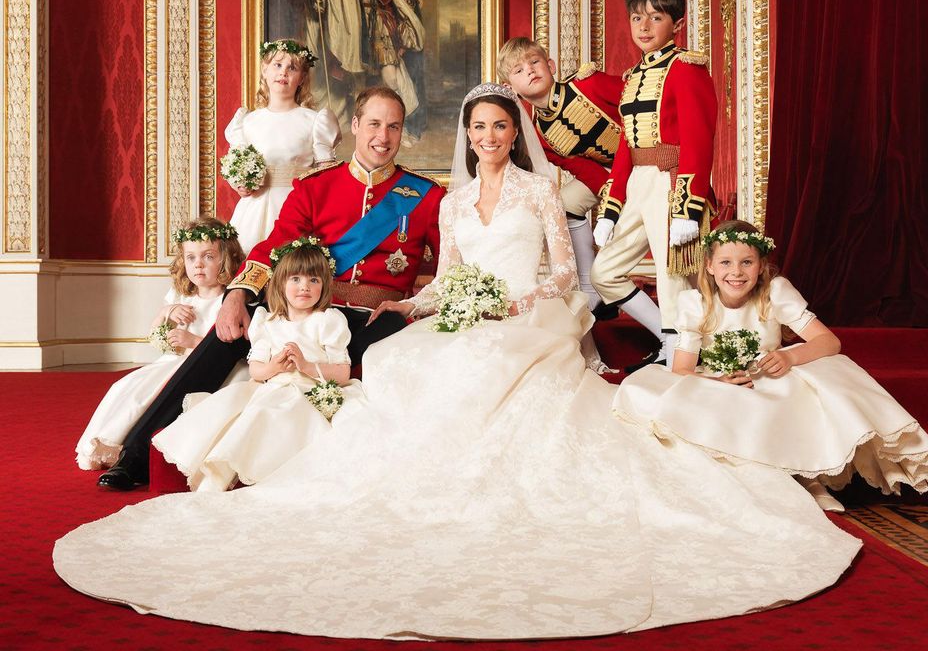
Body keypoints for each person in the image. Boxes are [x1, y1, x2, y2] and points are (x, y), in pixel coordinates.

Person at [56, 85, 861, 639]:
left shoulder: (500, 194)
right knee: (397, 358)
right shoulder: (390, 193)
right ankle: (158, 448)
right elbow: (434, 276)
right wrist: (399, 302)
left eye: (499, 127)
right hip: (367, 301)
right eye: (475, 128)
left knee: (454, 362)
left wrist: (501, 301)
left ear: (511, 131)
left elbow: (556, 273)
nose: (487, 138)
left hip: (521, 314)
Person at [96, 86, 444, 491]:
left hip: (373, 318)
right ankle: (137, 455)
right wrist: (236, 297)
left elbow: (448, 265)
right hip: (304, 304)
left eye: (393, 127)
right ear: (354, 126)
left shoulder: (426, 196)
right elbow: (271, 249)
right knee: (228, 333)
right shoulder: (316, 187)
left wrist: (416, 306)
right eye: (374, 124)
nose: (382, 137)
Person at [614, 220, 928, 508]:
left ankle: (809, 477)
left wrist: (790, 356)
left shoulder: (774, 292)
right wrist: (720, 382)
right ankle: (752, 480)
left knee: (811, 383)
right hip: (720, 379)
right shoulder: (695, 302)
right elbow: (682, 371)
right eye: (726, 262)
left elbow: (829, 341)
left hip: (769, 377)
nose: (736, 272)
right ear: (711, 266)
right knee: (654, 391)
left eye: (747, 262)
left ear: (760, 266)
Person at [152, 241, 364, 492]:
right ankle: (218, 475)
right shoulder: (268, 321)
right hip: (272, 386)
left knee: (276, 412)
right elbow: (256, 371)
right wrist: (274, 366)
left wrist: (306, 366)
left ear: (324, 285)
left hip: (311, 391)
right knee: (238, 410)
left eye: (314, 280)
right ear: (280, 284)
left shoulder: (328, 321)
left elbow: (342, 373)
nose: (304, 287)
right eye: (295, 279)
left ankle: (267, 475)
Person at [591, 0, 718, 368]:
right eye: (636, 18)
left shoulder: (686, 68)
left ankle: (679, 351)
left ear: (676, 24)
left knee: (671, 274)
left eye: (655, 18)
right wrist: (611, 209)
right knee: (604, 272)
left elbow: (700, 140)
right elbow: (626, 148)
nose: (643, 27)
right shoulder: (632, 76)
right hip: (639, 183)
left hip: (673, 181)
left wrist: (687, 207)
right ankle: (668, 337)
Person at [75, 217, 247, 470]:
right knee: (128, 386)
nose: (198, 264)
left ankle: (145, 448)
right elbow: (157, 337)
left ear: (227, 258)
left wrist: (193, 341)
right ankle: (113, 444)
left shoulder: (230, 301)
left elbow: (230, 349)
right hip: (173, 360)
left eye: (208, 257)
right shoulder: (181, 296)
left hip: (207, 368)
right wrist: (166, 314)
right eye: (191, 258)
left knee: (160, 390)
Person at [499, 36, 625, 312]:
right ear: (510, 88)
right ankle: (590, 290)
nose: (530, 70)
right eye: (519, 70)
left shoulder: (587, 85)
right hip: (610, 175)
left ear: (551, 65)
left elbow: (637, 108)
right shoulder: (540, 134)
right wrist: (615, 195)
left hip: (645, 159)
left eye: (534, 62)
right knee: (562, 206)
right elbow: (584, 169)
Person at [225, 38, 341, 253]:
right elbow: (237, 164)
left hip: (297, 207)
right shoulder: (247, 122)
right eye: (277, 65)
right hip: (255, 208)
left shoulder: (315, 120)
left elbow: (326, 175)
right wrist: (240, 183)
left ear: (302, 78)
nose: (283, 72)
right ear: (265, 71)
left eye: (292, 67)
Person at [305, 0, 426, 140]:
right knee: (357, 84)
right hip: (357, 34)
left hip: (382, 30)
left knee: (392, 79)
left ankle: (396, 125)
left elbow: (405, 1)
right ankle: (362, 129)